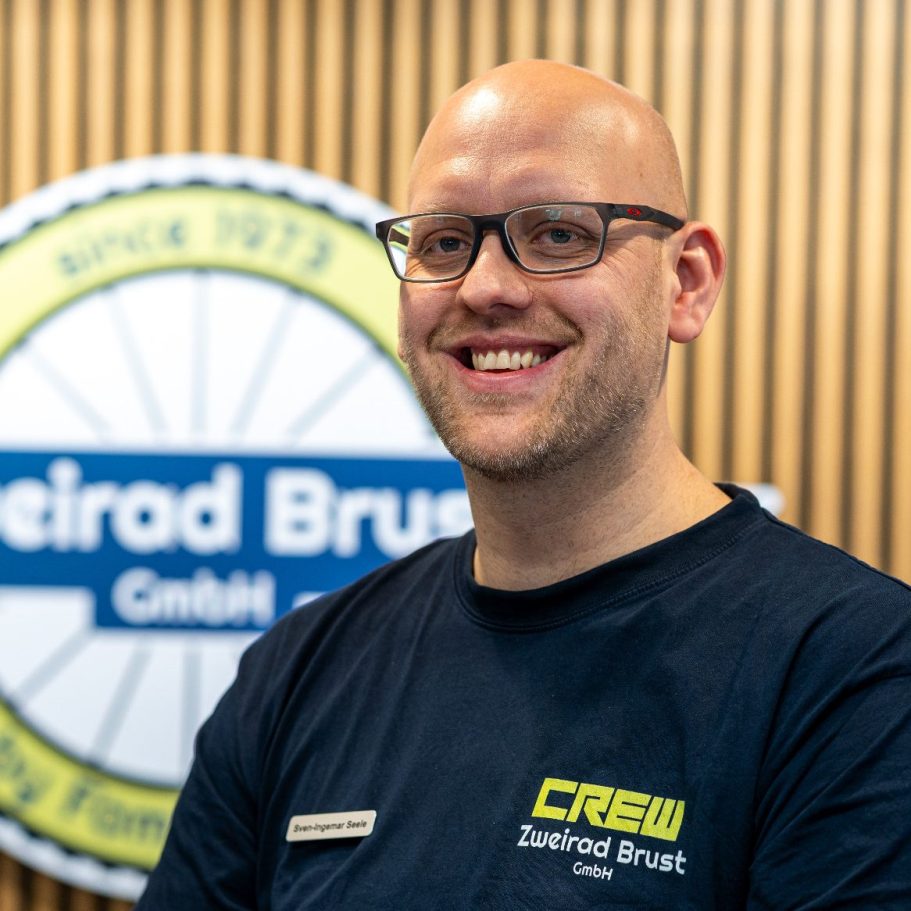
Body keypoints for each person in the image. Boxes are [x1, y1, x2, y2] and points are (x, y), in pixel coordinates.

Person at [137, 60, 911, 909]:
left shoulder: (856, 672)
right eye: (442, 242)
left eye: (557, 234)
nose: (485, 288)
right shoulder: (297, 671)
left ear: (685, 282)